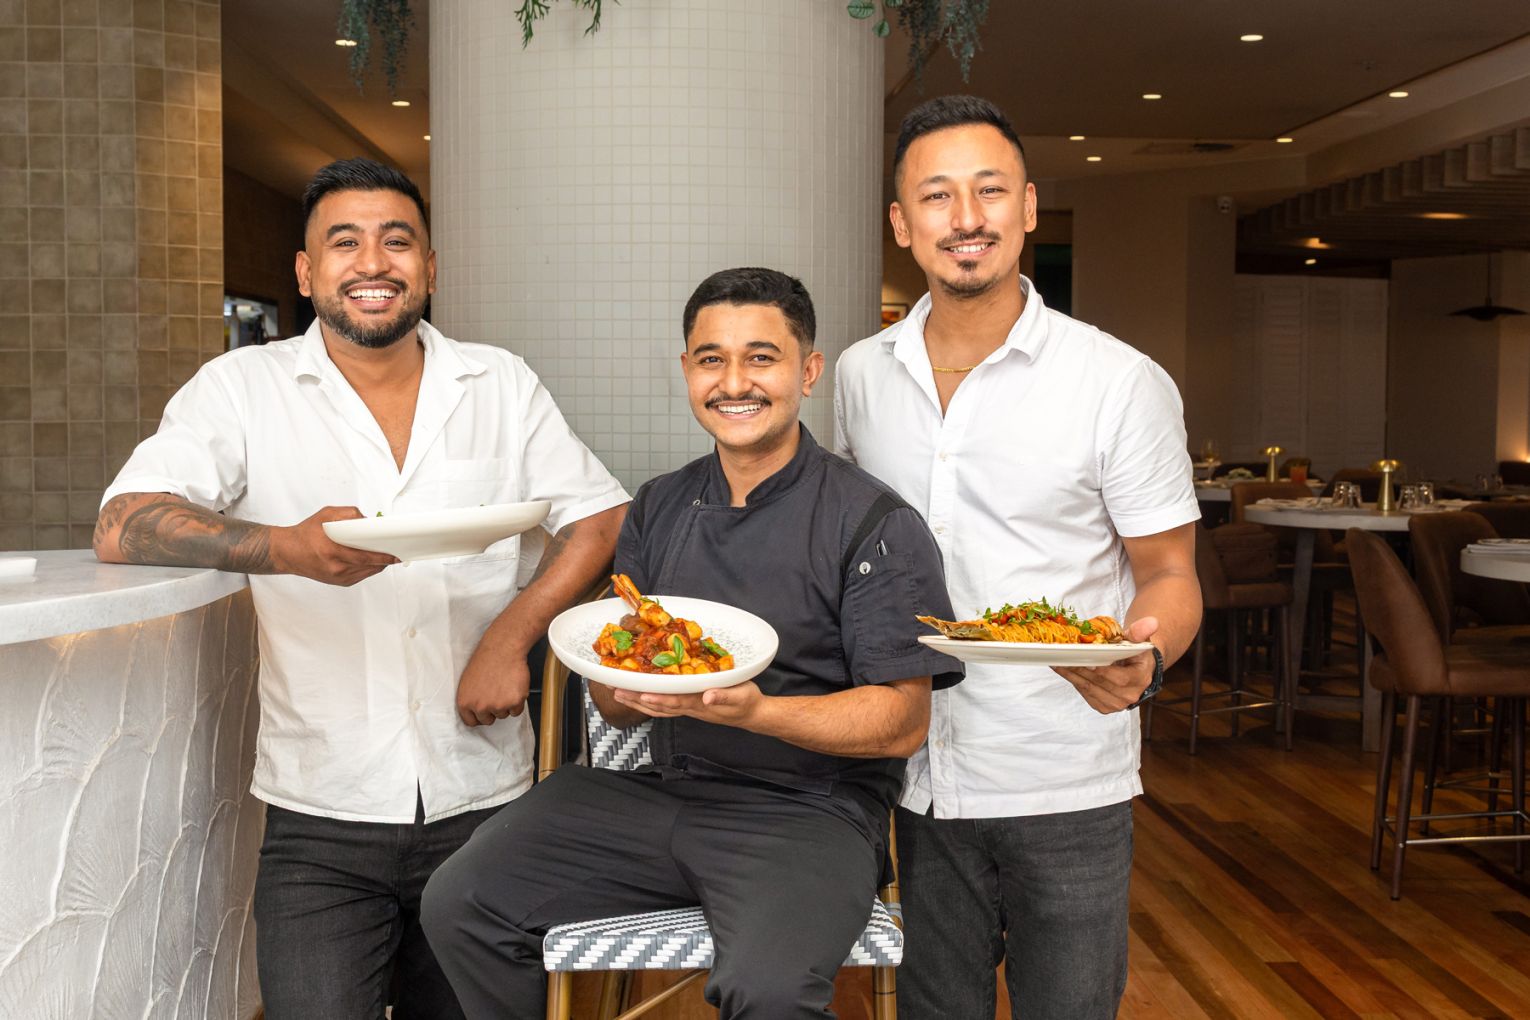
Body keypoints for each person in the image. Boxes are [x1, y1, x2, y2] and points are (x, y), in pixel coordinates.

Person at [93, 157, 630, 1019]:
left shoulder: (500, 383)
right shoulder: (243, 389)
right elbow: (122, 525)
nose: (373, 263)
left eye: (397, 241)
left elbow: (600, 518)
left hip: (484, 801)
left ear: (429, 266)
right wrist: (285, 548)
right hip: (319, 817)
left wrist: (510, 639)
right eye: (344, 243)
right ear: (307, 275)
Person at [420, 267, 963, 1019]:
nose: (734, 381)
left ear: (807, 372)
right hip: (652, 794)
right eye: (711, 359)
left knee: (767, 992)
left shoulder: (871, 522)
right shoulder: (660, 504)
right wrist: (623, 690)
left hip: (808, 813)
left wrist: (751, 712)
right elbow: (615, 701)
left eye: (761, 358)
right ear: (686, 372)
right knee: (459, 903)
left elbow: (902, 723)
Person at [834, 96, 1203, 1018]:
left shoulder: (1118, 382)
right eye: (937, 196)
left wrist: (1149, 656)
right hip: (914, 770)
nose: (966, 218)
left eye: (989, 191)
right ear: (902, 224)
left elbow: (1169, 571)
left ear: (1029, 207)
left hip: (1064, 767)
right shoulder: (857, 376)